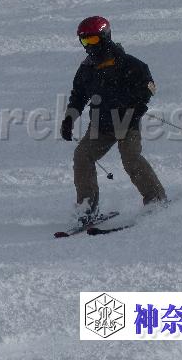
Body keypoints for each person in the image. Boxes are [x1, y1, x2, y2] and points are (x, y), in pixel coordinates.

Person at [60, 16, 167, 225]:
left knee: (131, 158)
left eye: (92, 40)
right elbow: (78, 96)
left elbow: (147, 88)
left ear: (105, 37)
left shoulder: (129, 64)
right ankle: (87, 208)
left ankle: (156, 199)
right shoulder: (87, 69)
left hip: (126, 122)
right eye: (84, 41)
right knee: (82, 156)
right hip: (100, 125)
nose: (88, 46)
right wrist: (69, 119)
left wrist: (137, 109)